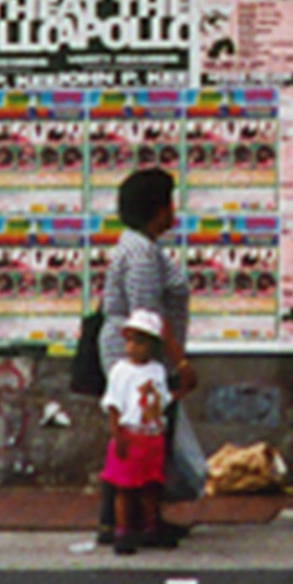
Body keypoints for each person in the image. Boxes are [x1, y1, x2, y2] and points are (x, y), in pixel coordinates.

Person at [102, 165, 203, 534]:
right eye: (169, 203)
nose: (173, 211)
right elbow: (147, 317)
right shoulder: (142, 253)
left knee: (142, 433)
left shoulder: (143, 247)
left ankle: (128, 520)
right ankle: (132, 522)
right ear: (157, 209)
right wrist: (180, 362)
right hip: (136, 356)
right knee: (140, 435)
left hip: (142, 354)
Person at [99, 308, 174, 555]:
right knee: (124, 488)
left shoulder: (157, 371)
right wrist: (116, 434)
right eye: (129, 340)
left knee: (151, 486)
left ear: (151, 346)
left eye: (140, 342)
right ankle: (123, 531)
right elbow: (113, 404)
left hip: (151, 435)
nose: (133, 347)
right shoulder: (121, 371)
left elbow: (162, 400)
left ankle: (151, 527)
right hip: (129, 434)